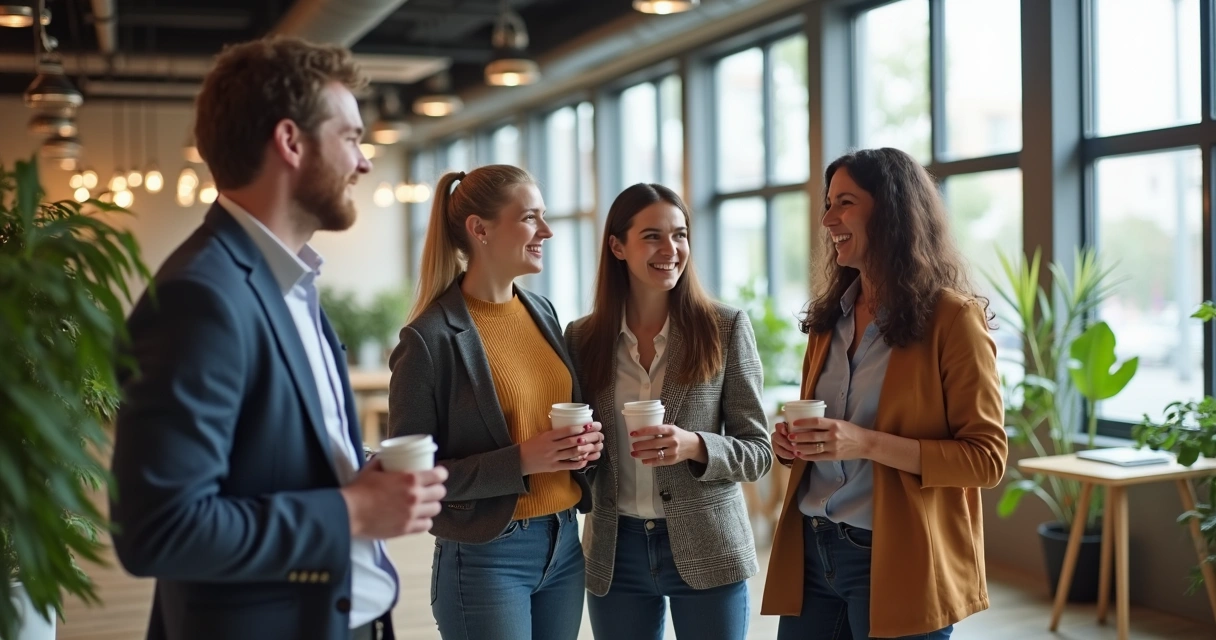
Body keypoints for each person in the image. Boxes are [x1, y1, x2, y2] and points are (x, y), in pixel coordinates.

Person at [109, 37, 447, 640]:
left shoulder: (291, 278)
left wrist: (363, 473)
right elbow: (158, 529)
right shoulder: (202, 296)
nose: (364, 162)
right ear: (291, 142)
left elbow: (273, 458)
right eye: (350, 138)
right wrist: (353, 511)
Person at [760, 148, 1009, 639]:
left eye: (844, 203)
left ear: (892, 211)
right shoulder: (829, 321)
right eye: (828, 204)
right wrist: (789, 445)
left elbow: (986, 460)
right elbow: (825, 444)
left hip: (900, 556)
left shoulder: (953, 320)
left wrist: (864, 442)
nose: (828, 218)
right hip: (814, 552)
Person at [388, 164, 605, 640]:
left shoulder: (542, 311)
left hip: (564, 542)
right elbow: (410, 480)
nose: (546, 231)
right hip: (488, 554)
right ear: (479, 229)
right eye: (530, 218)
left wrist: (586, 448)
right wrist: (524, 459)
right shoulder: (428, 340)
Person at [565, 183, 772, 639]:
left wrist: (695, 445)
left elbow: (759, 451)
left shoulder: (724, 327)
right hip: (615, 551)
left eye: (679, 235)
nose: (671, 249)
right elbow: (581, 452)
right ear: (617, 246)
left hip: (709, 543)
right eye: (653, 236)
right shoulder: (581, 339)